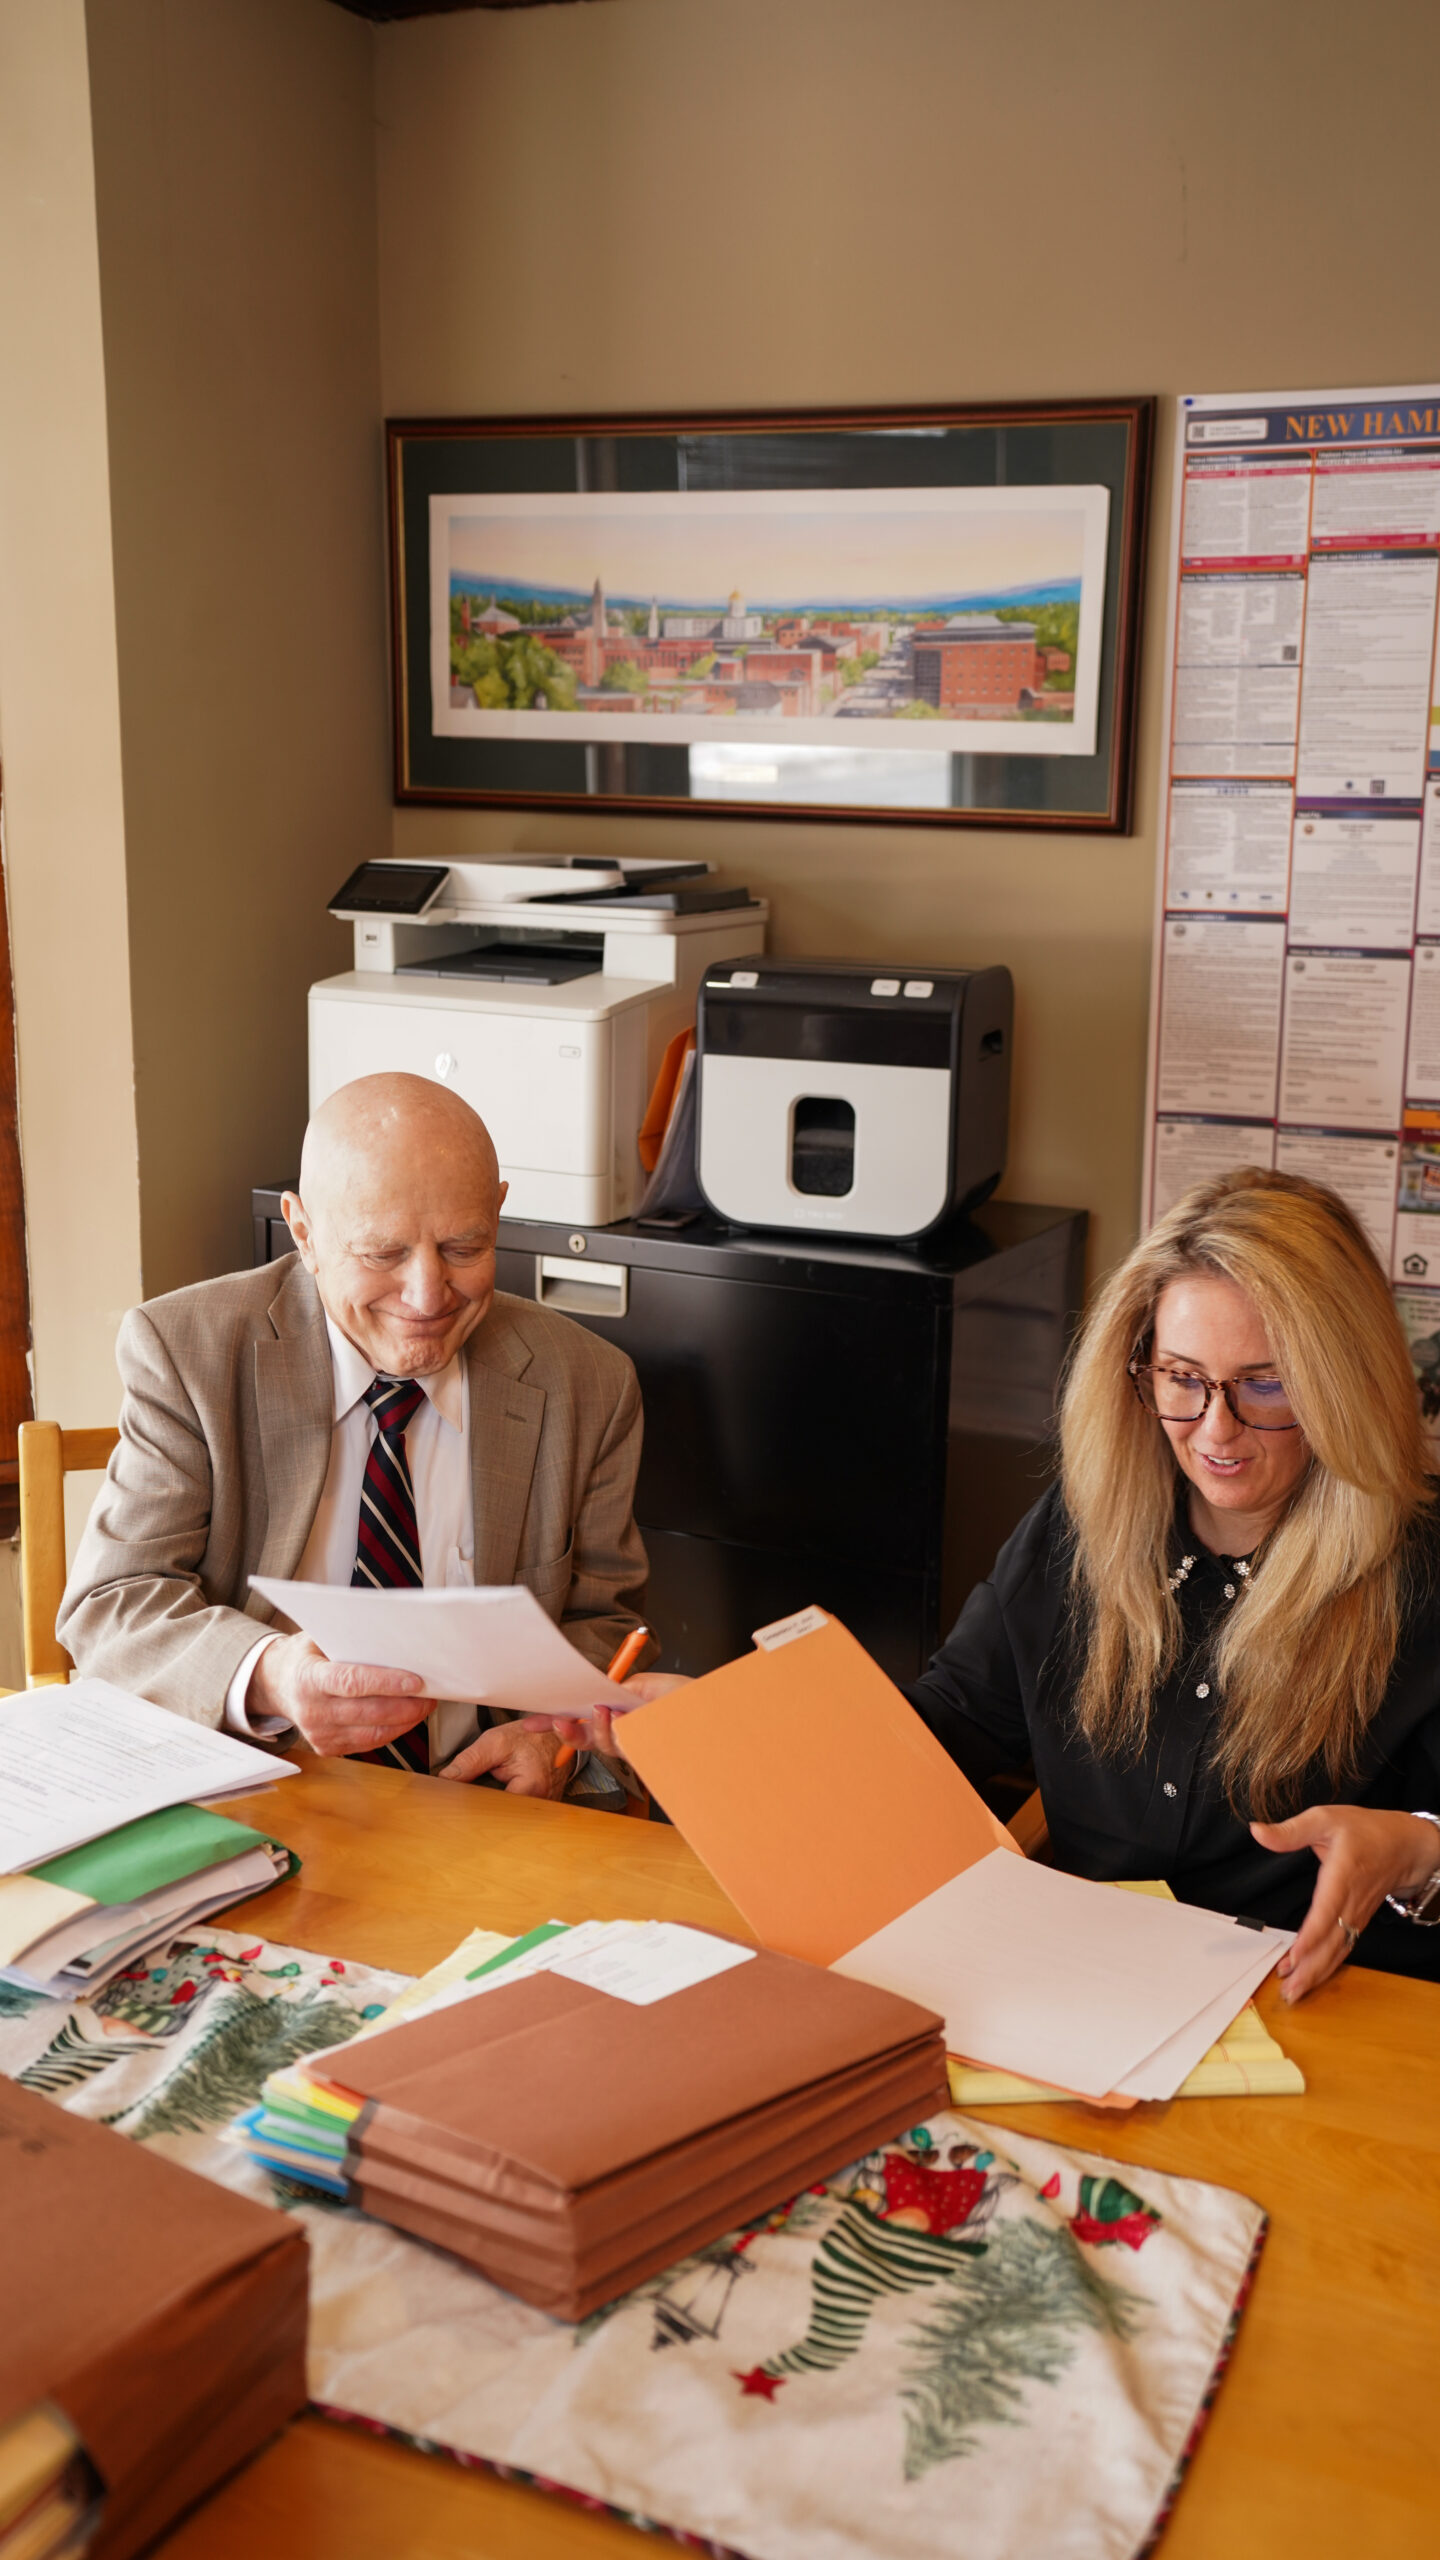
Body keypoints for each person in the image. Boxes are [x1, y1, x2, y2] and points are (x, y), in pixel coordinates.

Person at [902, 1167, 1440, 1998]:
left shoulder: (1422, 1569)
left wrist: (1415, 1852)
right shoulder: (1082, 1521)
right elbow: (948, 1731)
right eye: (1182, 1379)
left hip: (1331, 2013)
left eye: (1266, 1383)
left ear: (1345, 1383)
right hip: (1091, 1992)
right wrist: (739, 1735)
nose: (1215, 1430)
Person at [58, 1073, 657, 1802]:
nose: (428, 1295)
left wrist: (551, 1740)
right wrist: (272, 1675)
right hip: (257, 1791)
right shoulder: (189, 1352)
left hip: (483, 1811)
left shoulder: (589, 1383)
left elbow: (604, 1625)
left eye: (465, 1246)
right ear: (304, 1233)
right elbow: (113, 1603)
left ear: (499, 1212)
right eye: (382, 1255)